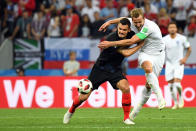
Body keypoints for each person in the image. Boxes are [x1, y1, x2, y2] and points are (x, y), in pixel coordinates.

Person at [63, 18, 144, 125]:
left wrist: (110, 22)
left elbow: (134, 24)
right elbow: (126, 53)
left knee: (126, 87)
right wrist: (140, 45)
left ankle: (126, 118)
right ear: (117, 28)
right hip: (100, 68)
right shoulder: (111, 39)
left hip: (114, 69)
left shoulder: (132, 35)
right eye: (120, 29)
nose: (121, 31)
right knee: (84, 96)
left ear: (129, 30)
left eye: (124, 30)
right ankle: (70, 111)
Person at [98, 8, 166, 122]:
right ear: (132, 20)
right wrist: (109, 22)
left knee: (149, 86)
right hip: (145, 53)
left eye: (140, 22)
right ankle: (160, 96)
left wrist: (110, 43)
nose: (138, 24)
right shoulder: (132, 21)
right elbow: (122, 19)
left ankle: (136, 110)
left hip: (159, 55)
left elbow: (131, 41)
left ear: (144, 18)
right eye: (135, 22)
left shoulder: (149, 27)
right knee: (148, 68)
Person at [163, 22, 192, 109]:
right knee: (170, 86)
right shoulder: (164, 39)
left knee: (177, 84)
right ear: (168, 29)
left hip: (179, 63)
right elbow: (160, 51)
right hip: (169, 64)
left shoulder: (182, 38)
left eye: (174, 27)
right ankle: (175, 103)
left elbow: (189, 49)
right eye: (170, 27)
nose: (172, 29)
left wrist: (185, 59)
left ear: (176, 29)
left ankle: (181, 99)